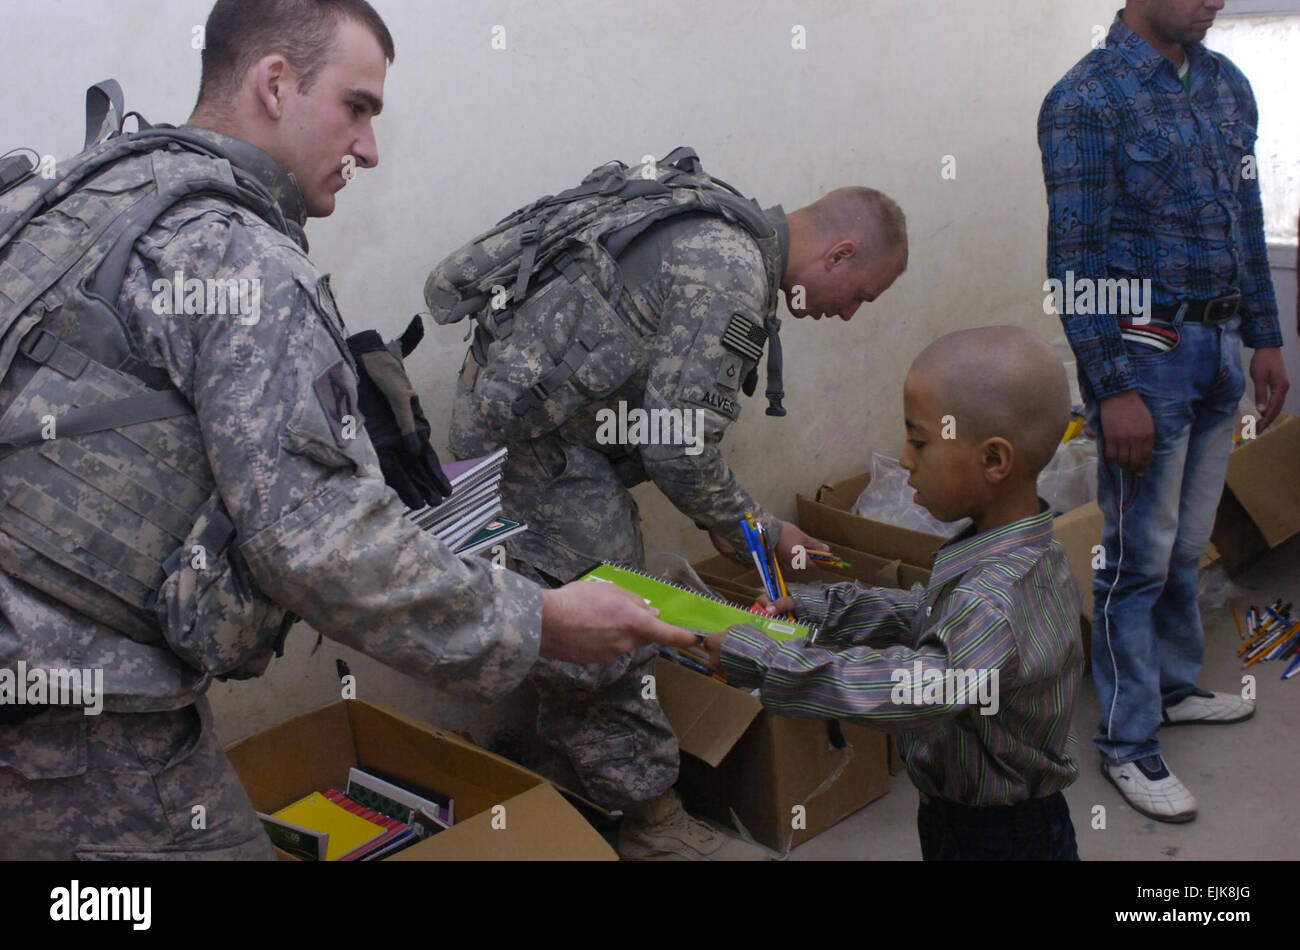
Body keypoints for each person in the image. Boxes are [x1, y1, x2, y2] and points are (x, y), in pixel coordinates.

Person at [0, 0, 692, 861]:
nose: (368, 147)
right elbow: (321, 544)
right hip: (85, 739)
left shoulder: (83, 193)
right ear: (275, 83)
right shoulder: (242, 260)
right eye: (357, 107)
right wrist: (541, 620)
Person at [438, 175, 908, 858]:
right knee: (615, 617)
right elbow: (678, 450)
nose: (849, 315)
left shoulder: (723, 226)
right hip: (533, 449)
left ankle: (578, 768)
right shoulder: (730, 275)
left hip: (540, 427)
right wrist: (767, 531)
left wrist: (731, 522)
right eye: (861, 295)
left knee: (590, 598)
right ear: (837, 256)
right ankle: (652, 821)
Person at [1038, 0, 1289, 824]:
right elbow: (1074, 263)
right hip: (1146, 358)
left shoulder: (1224, 84)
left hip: (1219, 350)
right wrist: (1112, 388)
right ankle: (1126, 741)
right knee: (1134, 559)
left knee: (1186, 543)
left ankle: (1173, 690)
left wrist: (1264, 336)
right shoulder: (1087, 100)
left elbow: (1245, 220)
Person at [704, 326, 1084, 861]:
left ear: (995, 461)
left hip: (1001, 839)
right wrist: (824, 610)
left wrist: (765, 661)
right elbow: (926, 614)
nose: (904, 458)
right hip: (969, 818)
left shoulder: (994, 599)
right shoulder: (1011, 553)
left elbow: (913, 690)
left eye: (919, 440)